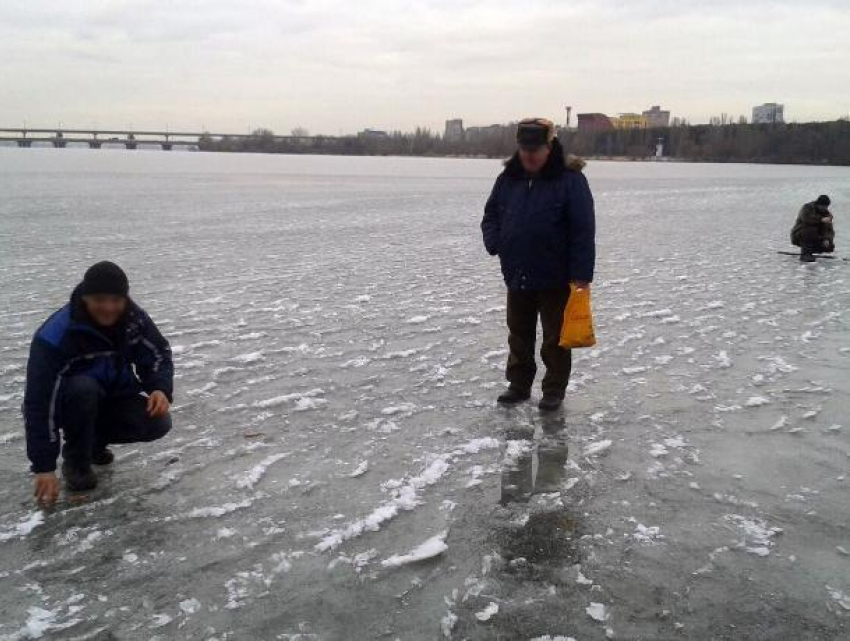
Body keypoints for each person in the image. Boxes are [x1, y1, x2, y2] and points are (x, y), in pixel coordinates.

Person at [23, 262, 174, 505]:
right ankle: (76, 460)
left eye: (116, 300)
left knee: (158, 422)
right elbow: (38, 403)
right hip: (71, 404)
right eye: (99, 299)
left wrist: (159, 388)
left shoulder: (133, 319)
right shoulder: (56, 335)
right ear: (85, 298)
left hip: (111, 396)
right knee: (84, 388)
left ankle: (93, 443)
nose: (109, 307)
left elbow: (158, 353)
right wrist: (44, 467)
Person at [481, 118, 596, 411]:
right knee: (518, 333)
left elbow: (583, 230)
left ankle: (553, 390)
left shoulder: (571, 180)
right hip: (517, 269)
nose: (529, 155)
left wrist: (581, 276)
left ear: (550, 147)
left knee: (556, 338)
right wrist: (497, 242)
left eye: (536, 149)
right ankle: (518, 384)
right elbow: (491, 214)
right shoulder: (508, 178)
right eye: (524, 149)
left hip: (556, 275)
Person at [791, 195, 835, 262]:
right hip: (800, 234)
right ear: (818, 204)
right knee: (811, 230)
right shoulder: (807, 208)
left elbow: (829, 230)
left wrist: (827, 239)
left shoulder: (827, 215)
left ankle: (810, 250)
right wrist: (821, 219)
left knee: (830, 246)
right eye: (822, 206)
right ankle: (805, 254)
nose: (824, 208)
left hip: (815, 236)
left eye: (826, 206)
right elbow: (806, 219)